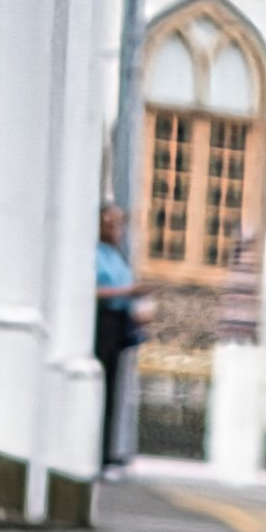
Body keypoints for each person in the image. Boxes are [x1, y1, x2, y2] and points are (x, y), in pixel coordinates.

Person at [94, 200, 149, 476]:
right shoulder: (94, 253)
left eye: (120, 224)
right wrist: (127, 292)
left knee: (112, 391)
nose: (117, 229)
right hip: (101, 323)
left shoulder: (116, 255)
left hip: (119, 325)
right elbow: (91, 290)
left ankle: (106, 452)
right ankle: (97, 454)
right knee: (100, 387)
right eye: (111, 223)